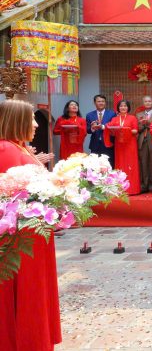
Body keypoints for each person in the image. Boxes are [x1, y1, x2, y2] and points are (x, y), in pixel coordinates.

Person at [0, 100, 61, 351]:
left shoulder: (18, 147)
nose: (36, 124)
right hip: (22, 235)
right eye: (32, 119)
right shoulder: (7, 149)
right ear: (17, 121)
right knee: (28, 292)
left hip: (33, 232)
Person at [104, 100, 140, 195]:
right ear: (118, 108)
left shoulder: (132, 118)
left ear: (128, 107)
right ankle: (120, 189)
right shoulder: (114, 119)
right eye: (121, 106)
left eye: (125, 106)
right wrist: (111, 129)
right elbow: (111, 131)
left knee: (131, 164)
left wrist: (124, 130)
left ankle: (132, 189)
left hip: (130, 144)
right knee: (120, 164)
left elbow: (135, 131)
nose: (123, 108)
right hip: (119, 144)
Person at [86, 94, 116, 167]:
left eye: (103, 101)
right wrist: (92, 128)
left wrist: (102, 127)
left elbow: (113, 127)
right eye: (99, 101)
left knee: (109, 165)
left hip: (108, 143)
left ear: (105, 103)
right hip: (95, 144)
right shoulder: (89, 115)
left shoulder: (112, 113)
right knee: (95, 166)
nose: (101, 103)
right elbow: (87, 130)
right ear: (94, 103)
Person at [136, 96, 152, 193]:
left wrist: (148, 122)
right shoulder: (138, 114)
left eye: (149, 101)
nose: (147, 103)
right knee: (143, 163)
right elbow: (137, 128)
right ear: (143, 103)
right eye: (146, 101)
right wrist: (142, 124)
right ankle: (144, 184)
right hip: (142, 140)